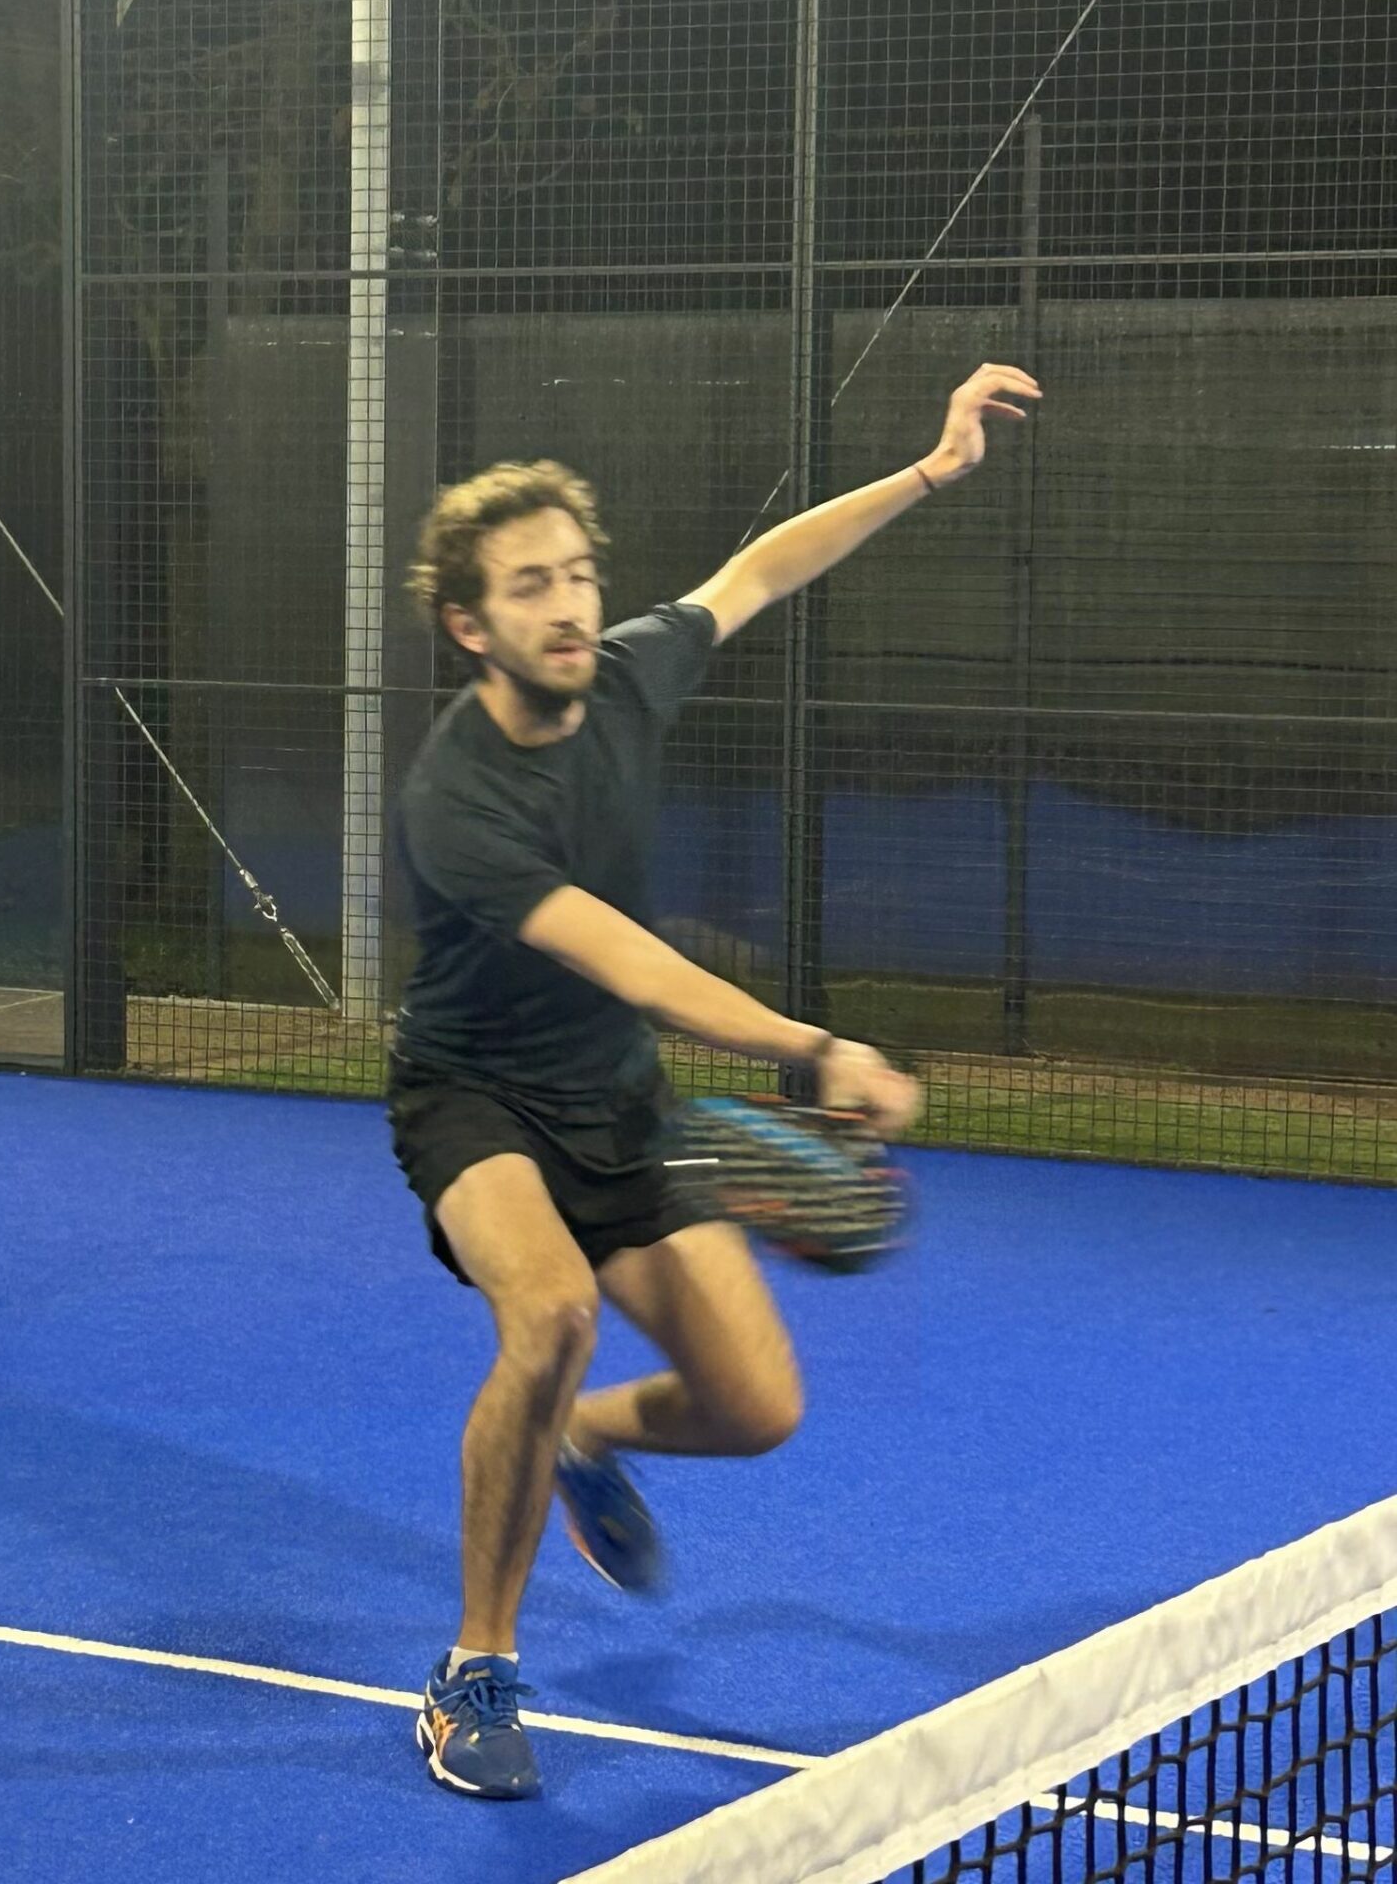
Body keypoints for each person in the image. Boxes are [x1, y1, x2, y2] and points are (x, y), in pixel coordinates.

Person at [390, 363, 1041, 1799]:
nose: (569, 605)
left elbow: (763, 568)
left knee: (754, 1408)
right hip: (477, 1098)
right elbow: (631, 962)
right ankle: (473, 1672)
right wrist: (816, 1049)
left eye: (578, 574)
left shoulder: (629, 672)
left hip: (617, 1101)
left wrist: (932, 468)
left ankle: (580, 1437)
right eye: (530, 587)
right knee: (551, 1314)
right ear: (470, 625)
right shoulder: (455, 797)